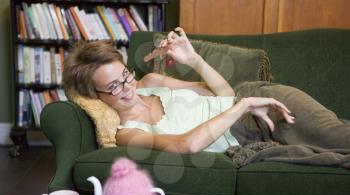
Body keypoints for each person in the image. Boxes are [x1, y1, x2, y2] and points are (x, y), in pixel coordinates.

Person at [63, 27, 350, 158]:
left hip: (256, 102)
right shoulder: (127, 132)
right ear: (96, 96)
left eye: (125, 75)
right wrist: (243, 107)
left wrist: (194, 60)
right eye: (113, 87)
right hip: (245, 120)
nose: (127, 88)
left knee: (337, 135)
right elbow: (186, 146)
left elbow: (224, 94)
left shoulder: (152, 81)